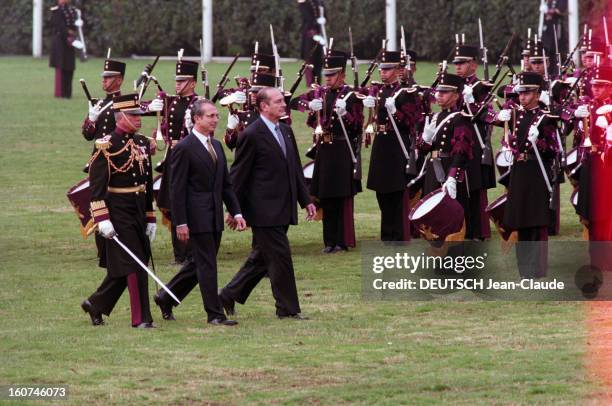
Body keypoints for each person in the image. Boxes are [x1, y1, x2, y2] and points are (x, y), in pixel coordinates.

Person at [219, 88, 316, 320]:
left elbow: (294, 168)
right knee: (280, 256)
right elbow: (238, 176)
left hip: (284, 206)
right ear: (264, 106)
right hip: (263, 210)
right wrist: (235, 210)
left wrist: (306, 200)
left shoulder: (286, 130)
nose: (284, 105)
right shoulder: (251, 134)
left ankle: (228, 294)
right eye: (279, 101)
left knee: (262, 258)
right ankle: (287, 309)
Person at [153, 99, 244, 326]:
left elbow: (225, 185)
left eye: (216, 116)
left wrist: (237, 212)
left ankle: (165, 297)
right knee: (207, 264)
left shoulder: (217, 146)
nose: (216, 119)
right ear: (196, 119)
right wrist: (180, 222)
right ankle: (214, 314)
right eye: (210, 116)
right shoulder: (184, 148)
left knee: (199, 262)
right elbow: (177, 189)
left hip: (214, 215)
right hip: (196, 217)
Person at [81, 93, 157, 328]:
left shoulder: (142, 143)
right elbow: (97, 187)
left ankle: (96, 304)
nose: (139, 118)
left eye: (139, 114)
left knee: (132, 260)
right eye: (134, 115)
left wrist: (150, 216)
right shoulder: (106, 145)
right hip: (117, 211)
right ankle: (140, 318)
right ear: (120, 117)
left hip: (137, 208)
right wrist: (102, 218)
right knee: (135, 264)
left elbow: (147, 181)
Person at [292, 49, 363, 252]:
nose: (328, 79)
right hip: (324, 150)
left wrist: (346, 113)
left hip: (342, 150)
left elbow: (358, 126)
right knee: (326, 196)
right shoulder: (321, 93)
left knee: (340, 197)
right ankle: (329, 241)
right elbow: (294, 102)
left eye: (332, 75)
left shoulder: (351, 96)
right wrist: (309, 106)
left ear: (341, 74)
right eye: (326, 75)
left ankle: (341, 241)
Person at [496, 72, 559, 278]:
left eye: (527, 93)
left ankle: (537, 268)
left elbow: (553, 150)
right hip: (519, 170)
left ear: (537, 93)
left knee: (536, 219)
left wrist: (538, 142)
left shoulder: (545, 118)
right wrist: (499, 119)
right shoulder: (515, 115)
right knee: (521, 218)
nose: (522, 97)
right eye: (520, 93)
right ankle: (524, 268)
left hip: (537, 171)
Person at [362, 50, 426, 241]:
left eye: (388, 69)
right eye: (381, 69)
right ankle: (386, 234)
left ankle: (398, 235)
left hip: (397, 145)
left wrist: (395, 111)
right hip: (381, 144)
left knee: (397, 192)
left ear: (398, 69)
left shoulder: (407, 93)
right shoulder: (380, 91)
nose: (383, 73)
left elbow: (411, 121)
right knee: (382, 191)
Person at [146, 54, 200, 266]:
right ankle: (179, 254)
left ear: (192, 83)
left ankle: (192, 253)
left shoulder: (199, 104)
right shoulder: (171, 103)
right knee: (174, 204)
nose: (177, 85)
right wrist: (154, 137)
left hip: (191, 159)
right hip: (173, 159)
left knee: (190, 204)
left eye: (182, 81)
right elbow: (162, 128)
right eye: (176, 81)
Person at [416, 72, 474, 223]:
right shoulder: (434, 117)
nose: (439, 95)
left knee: (450, 216)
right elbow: (423, 151)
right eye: (439, 91)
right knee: (432, 214)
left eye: (445, 92)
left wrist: (452, 177)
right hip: (432, 171)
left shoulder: (460, 118)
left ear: (456, 96)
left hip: (449, 168)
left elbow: (461, 151)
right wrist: (425, 139)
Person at [452, 43, 495, 240]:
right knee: (458, 184)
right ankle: (460, 228)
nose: (458, 67)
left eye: (463, 63)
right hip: (456, 139)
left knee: (476, 187)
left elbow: (488, 114)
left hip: (475, 139)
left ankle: (478, 230)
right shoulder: (453, 85)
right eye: (456, 63)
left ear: (474, 65)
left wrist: (471, 102)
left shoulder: (481, 87)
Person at [49, 0, 80, 98]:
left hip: (70, 42)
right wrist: (69, 32)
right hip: (60, 43)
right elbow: (59, 26)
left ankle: (68, 93)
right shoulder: (56, 10)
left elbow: (74, 24)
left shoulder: (73, 10)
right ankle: (61, 93)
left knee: (70, 66)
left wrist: (79, 25)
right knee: (61, 67)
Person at [298, 0, 325, 86]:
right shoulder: (303, 2)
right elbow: (308, 18)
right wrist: (316, 22)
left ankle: (318, 84)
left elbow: (323, 14)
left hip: (319, 34)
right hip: (309, 36)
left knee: (319, 61)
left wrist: (324, 19)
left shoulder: (319, 2)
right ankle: (311, 85)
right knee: (310, 61)